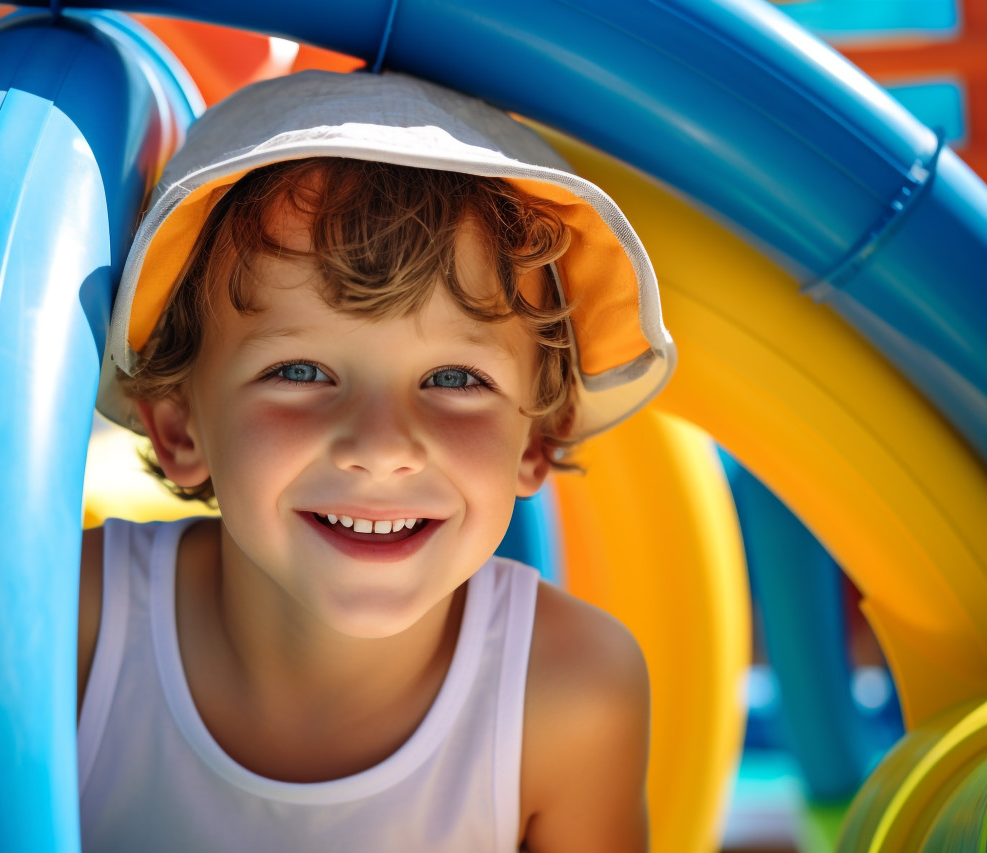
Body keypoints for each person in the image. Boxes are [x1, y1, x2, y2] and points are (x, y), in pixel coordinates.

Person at [76, 70, 675, 852]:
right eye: (300, 372)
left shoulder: (565, 697)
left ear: (534, 441)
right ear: (180, 426)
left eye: (455, 380)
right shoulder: (69, 629)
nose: (382, 446)